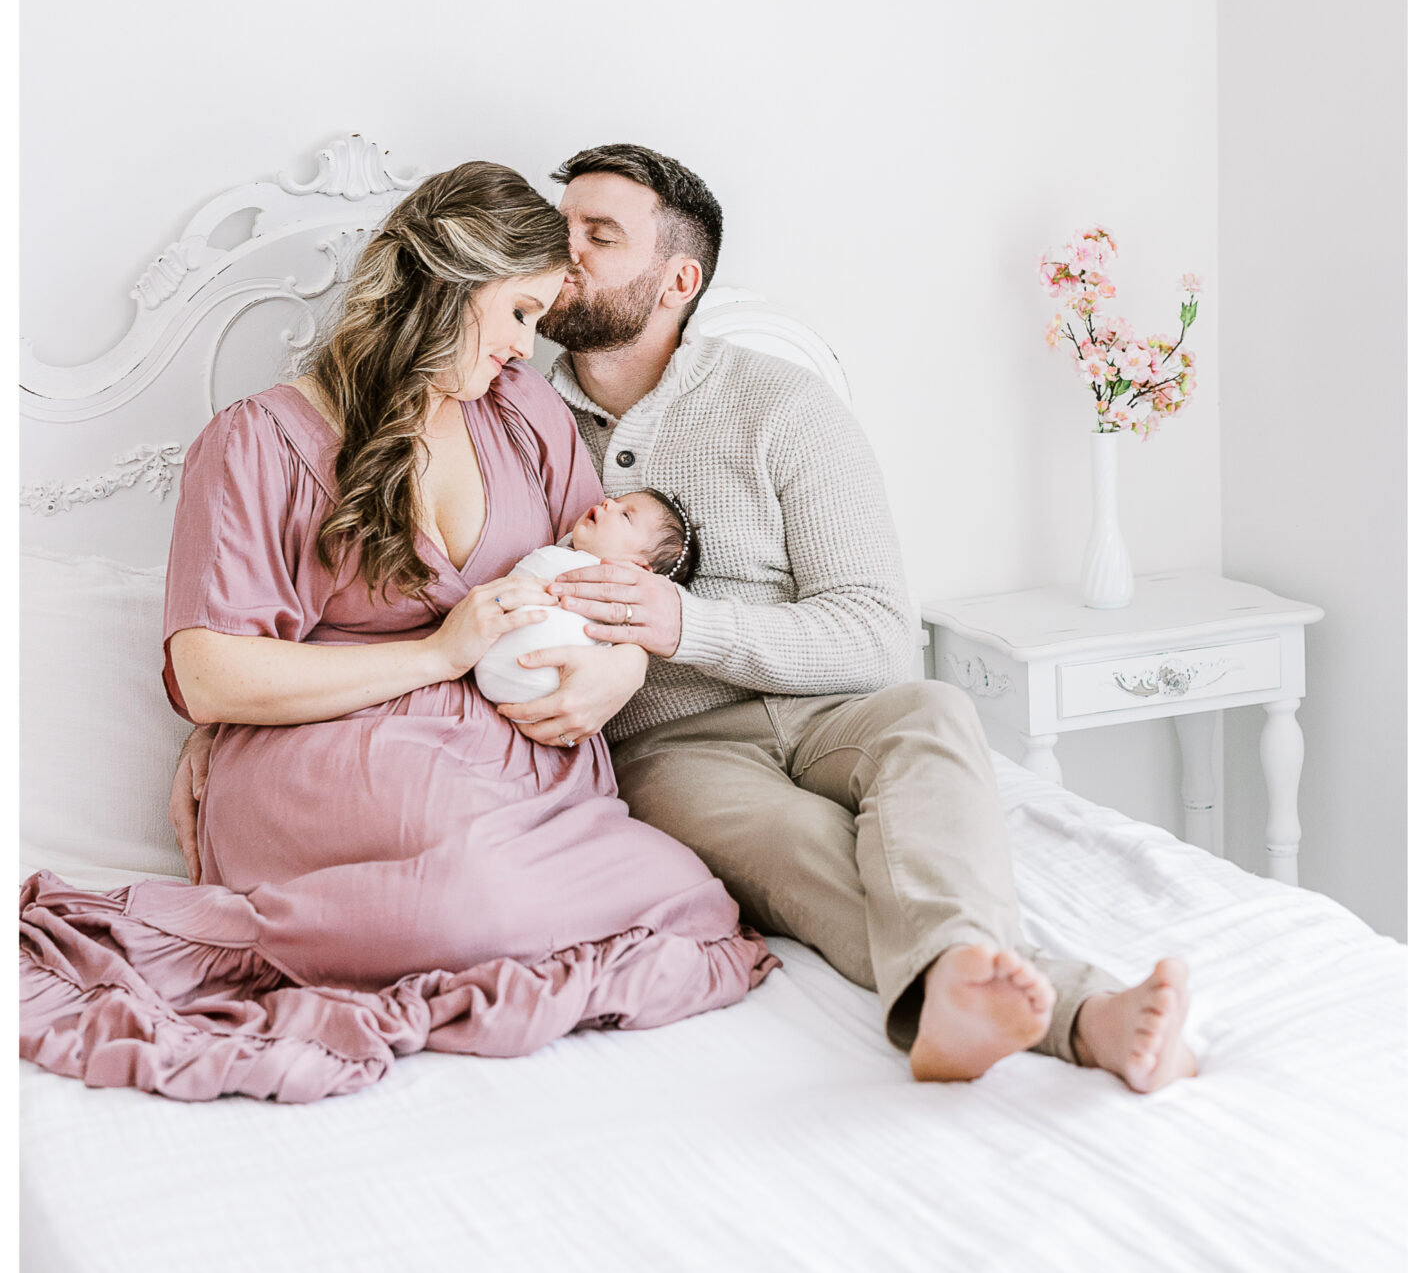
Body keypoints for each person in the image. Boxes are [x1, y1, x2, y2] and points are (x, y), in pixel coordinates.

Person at [171, 144, 1197, 1092]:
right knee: (800, 855)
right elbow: (228, 652)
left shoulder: (757, 404)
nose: (564, 268)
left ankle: (1007, 997)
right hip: (650, 749)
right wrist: (240, 726)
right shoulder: (502, 401)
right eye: (551, 249)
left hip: (783, 712)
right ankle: (1043, 1010)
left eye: (595, 240)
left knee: (931, 718)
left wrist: (658, 638)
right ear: (467, 284)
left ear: (678, 282)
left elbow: (871, 630)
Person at [20, 163, 774, 1104]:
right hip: (329, 757)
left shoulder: (522, 414)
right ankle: (296, 923)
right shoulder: (258, 442)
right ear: (453, 287)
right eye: (518, 316)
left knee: (685, 899)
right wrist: (436, 653)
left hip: (507, 769)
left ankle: (484, 894)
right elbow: (209, 675)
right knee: (471, 899)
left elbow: (606, 585)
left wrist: (618, 669)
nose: (525, 350)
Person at [474, 489, 699, 706]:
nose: (608, 502)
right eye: (615, 499)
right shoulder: (568, 554)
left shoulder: (611, 593)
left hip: (545, 685)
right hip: (491, 664)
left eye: (626, 515)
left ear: (637, 567)